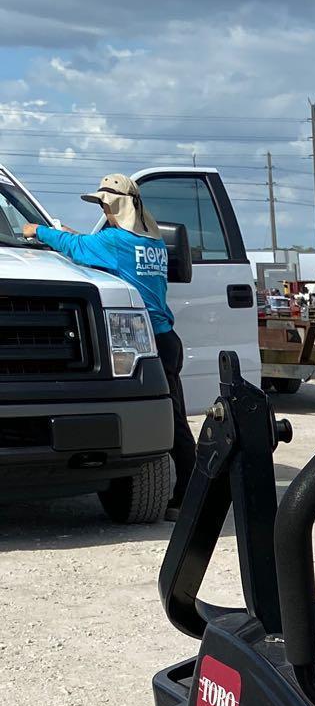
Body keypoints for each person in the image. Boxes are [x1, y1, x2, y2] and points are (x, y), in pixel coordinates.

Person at [23, 173, 195, 516]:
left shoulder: (115, 241)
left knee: (171, 423)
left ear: (115, 205)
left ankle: (189, 495)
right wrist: (72, 234)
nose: (103, 209)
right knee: (174, 416)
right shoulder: (152, 242)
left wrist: (37, 232)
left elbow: (77, 249)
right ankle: (191, 488)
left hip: (144, 340)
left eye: (104, 204)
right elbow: (90, 244)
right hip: (167, 338)